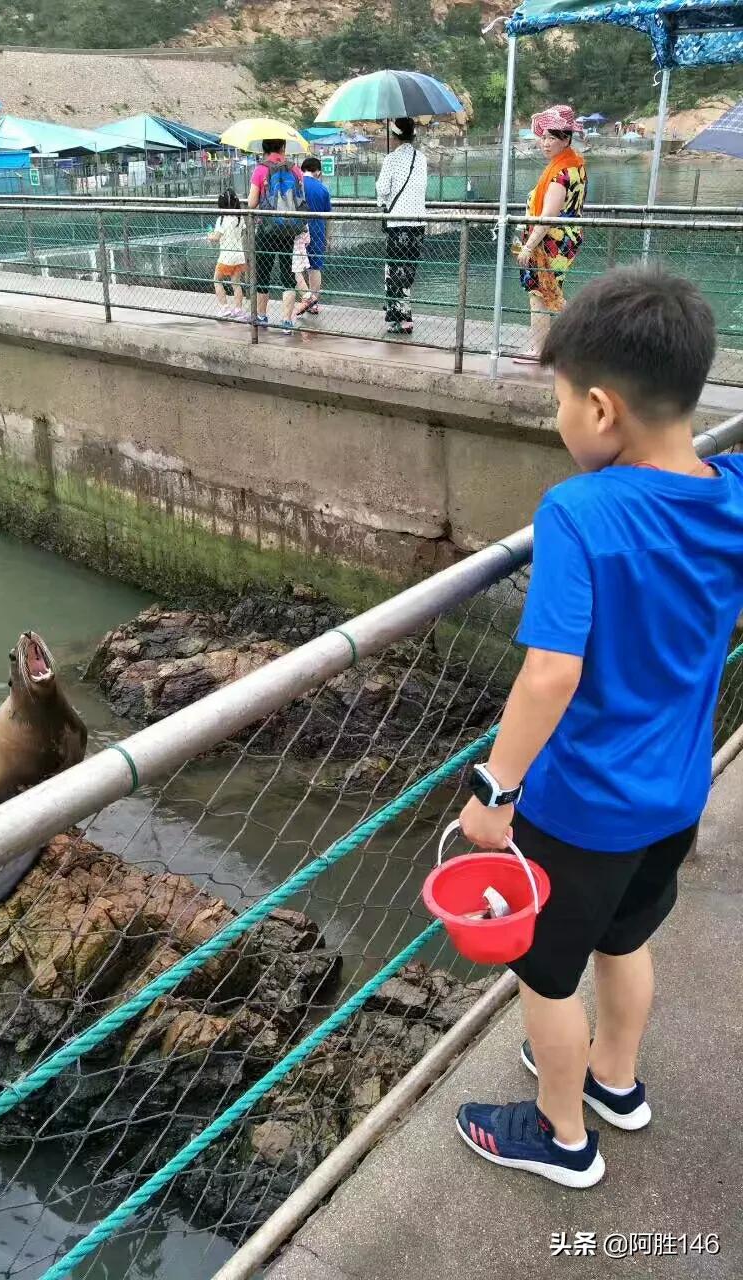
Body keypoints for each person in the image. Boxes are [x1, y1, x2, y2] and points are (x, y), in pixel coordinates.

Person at [453, 266, 743, 1189]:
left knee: (545, 978)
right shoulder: (732, 493)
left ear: (604, 409)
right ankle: (617, 1080)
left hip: (581, 806)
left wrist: (493, 794)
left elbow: (550, 673)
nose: (558, 418)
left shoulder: (579, 512)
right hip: (676, 791)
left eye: (560, 400)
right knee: (626, 940)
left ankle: (561, 1135)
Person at [513, 104, 587, 364]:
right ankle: (578, 338)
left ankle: (542, 349)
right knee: (549, 292)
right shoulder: (575, 165)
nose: (544, 143)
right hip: (565, 238)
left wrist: (529, 246)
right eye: (543, 137)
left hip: (552, 241)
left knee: (541, 294)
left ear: (565, 139)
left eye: (551, 138)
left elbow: (547, 217)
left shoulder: (560, 174)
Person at [375, 117, 428, 336]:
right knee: (408, 269)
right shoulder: (422, 158)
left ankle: (399, 318)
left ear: (395, 137)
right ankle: (405, 315)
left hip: (398, 223)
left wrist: (381, 198)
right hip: (418, 223)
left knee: (395, 269)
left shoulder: (391, 159)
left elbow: (382, 189)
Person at [247, 138, 306, 333]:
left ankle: (262, 317)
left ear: (264, 149)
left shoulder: (260, 169)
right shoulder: (295, 169)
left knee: (263, 273)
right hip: (289, 229)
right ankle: (286, 321)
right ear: (283, 147)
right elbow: (300, 200)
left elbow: (251, 203)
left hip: (266, 228)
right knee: (288, 276)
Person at [298, 155, 332, 316]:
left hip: (297, 229)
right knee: (315, 266)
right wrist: (328, 235)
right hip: (317, 229)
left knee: (296, 265)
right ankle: (314, 302)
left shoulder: (297, 184)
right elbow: (328, 215)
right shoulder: (322, 189)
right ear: (317, 172)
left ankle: (305, 297)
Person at [207, 189, 248, 320]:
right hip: (238, 256)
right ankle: (238, 309)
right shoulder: (239, 218)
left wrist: (209, 236)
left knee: (217, 280)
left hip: (226, 257)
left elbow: (217, 237)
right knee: (236, 284)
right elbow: (242, 234)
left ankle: (224, 307)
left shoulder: (222, 219)